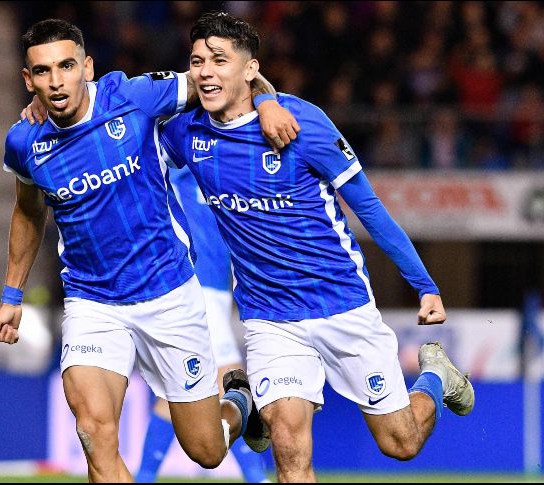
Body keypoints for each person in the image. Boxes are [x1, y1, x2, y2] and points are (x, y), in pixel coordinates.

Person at [158, 12, 475, 482]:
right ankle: (253, 405)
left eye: (219, 60)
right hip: (269, 317)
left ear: (250, 68)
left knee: (401, 442)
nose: (205, 71)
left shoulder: (303, 124)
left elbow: (369, 208)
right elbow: (118, 114)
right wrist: (45, 108)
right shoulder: (185, 133)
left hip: (341, 302)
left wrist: (425, 285)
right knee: (288, 443)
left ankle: (435, 374)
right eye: (197, 61)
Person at [0, 19, 299, 483]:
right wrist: (12, 297)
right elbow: (28, 211)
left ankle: (236, 401)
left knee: (207, 451)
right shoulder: (24, 143)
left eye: (67, 66)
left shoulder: (133, 98)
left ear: (87, 68)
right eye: (44, 71)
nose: (56, 81)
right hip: (93, 304)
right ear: (27, 79)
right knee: (95, 432)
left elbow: (229, 78)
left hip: (169, 294)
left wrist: (269, 100)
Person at [135, 165, 267, 483]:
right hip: (193, 282)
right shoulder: (175, 157)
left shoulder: (222, 162)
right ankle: (257, 477)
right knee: (231, 380)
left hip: (215, 286)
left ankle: (143, 477)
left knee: (176, 391)